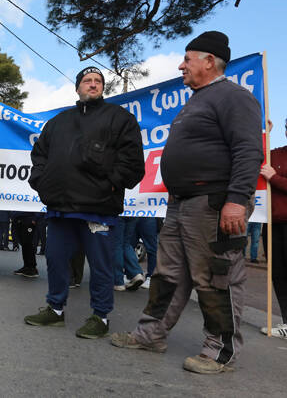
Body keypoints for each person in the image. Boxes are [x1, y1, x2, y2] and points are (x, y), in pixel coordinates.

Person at [111, 31, 263, 374]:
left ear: (210, 61)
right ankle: (151, 334)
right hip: (181, 203)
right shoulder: (196, 99)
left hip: (214, 202)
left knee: (216, 276)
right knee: (168, 273)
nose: (181, 66)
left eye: (187, 59)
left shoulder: (234, 97)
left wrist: (237, 200)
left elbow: (248, 150)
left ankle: (218, 351)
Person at [25, 65, 144, 339]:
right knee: (55, 260)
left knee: (101, 266)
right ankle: (55, 310)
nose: (93, 84)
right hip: (60, 208)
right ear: (77, 87)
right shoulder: (59, 122)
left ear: (103, 87)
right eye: (87, 80)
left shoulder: (119, 118)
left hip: (97, 209)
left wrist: (110, 184)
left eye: (98, 81)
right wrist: (40, 181)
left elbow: (133, 162)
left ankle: (100, 317)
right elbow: (39, 155)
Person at [259, 118, 287, 338]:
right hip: (272, 223)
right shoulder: (276, 154)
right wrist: (264, 132)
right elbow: (257, 156)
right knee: (277, 273)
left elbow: (270, 176)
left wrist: (274, 178)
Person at [112, 217, 145, 291]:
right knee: (126, 244)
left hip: (119, 213)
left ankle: (118, 282)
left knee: (117, 245)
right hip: (133, 212)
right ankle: (136, 273)